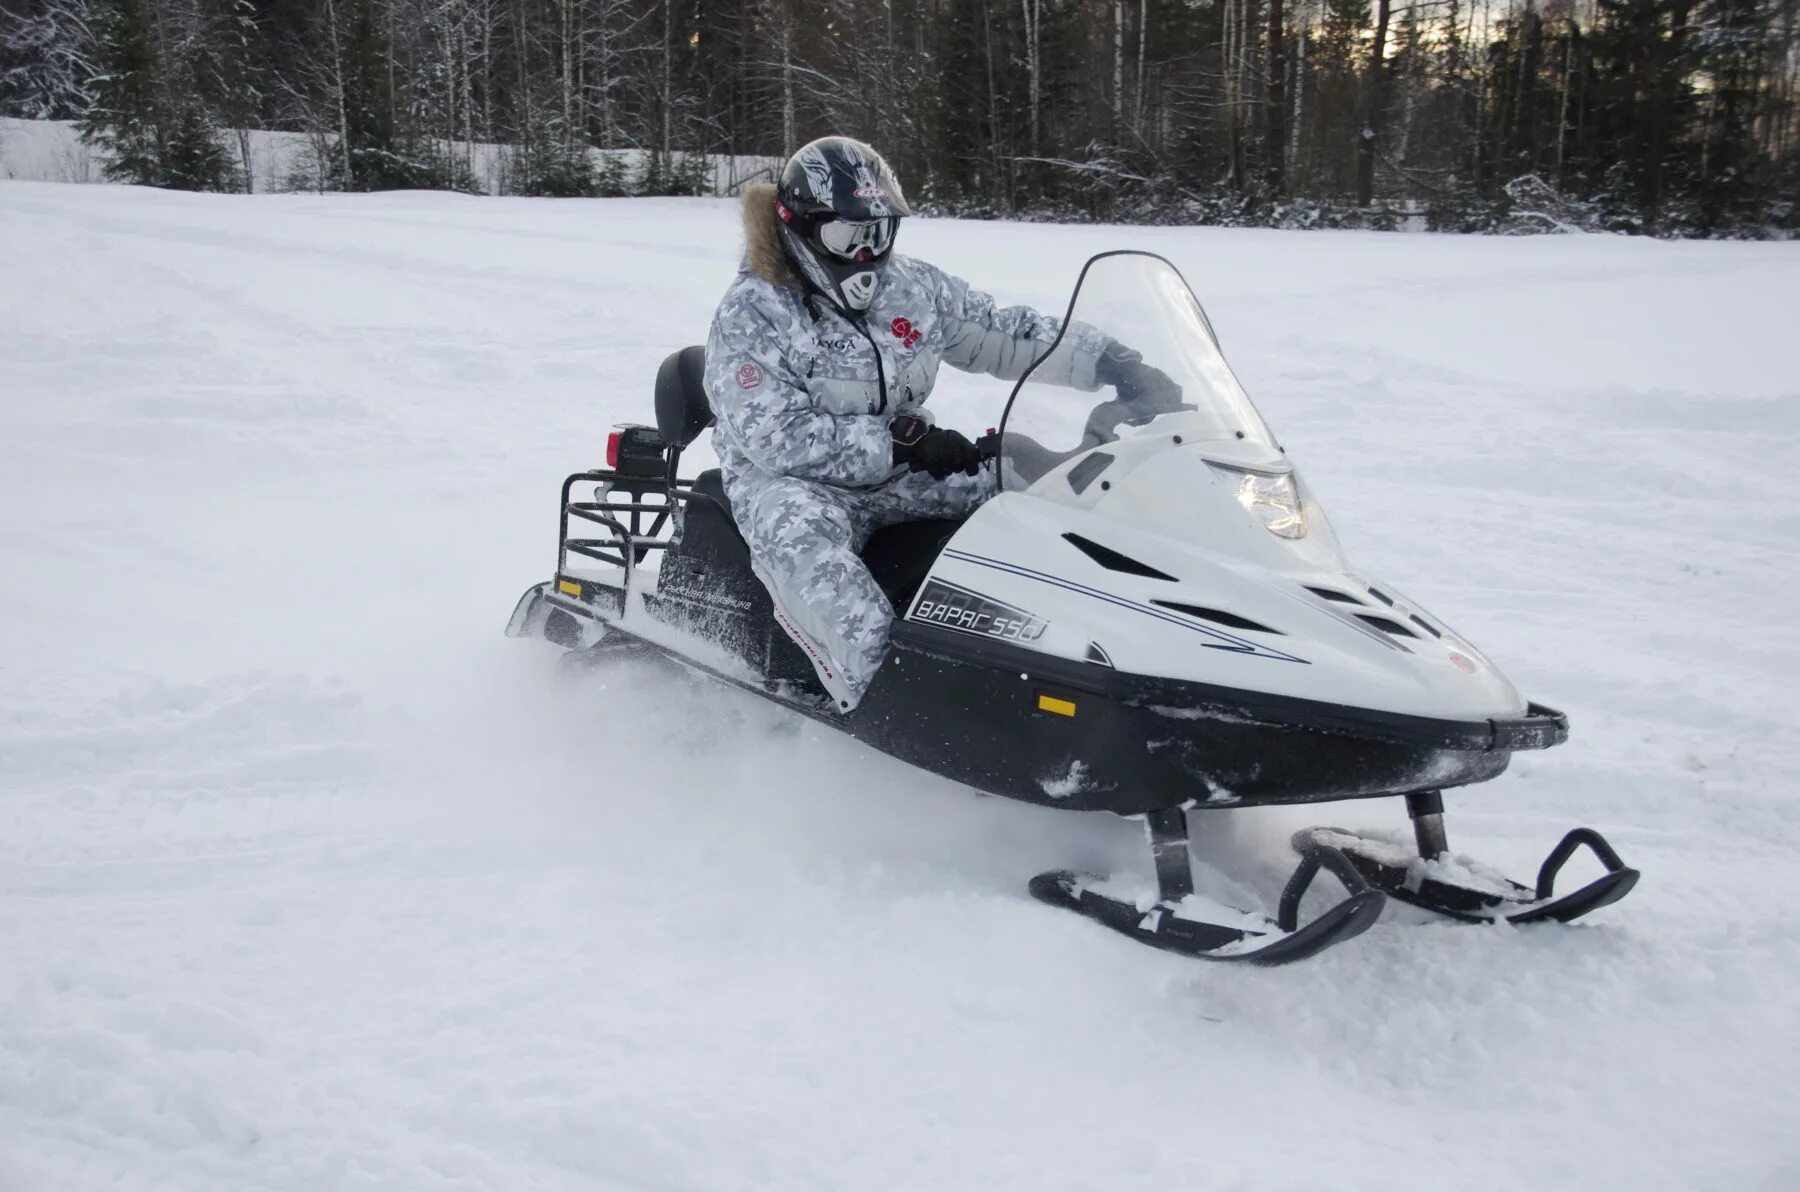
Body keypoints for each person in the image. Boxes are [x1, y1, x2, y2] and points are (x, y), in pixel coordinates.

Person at [703, 136, 1171, 712]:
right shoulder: (752, 312)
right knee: (803, 545)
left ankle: (1127, 639)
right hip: (793, 485)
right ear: (799, 227)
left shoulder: (910, 289)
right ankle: (891, 706)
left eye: (878, 234)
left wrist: (1113, 362)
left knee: (1039, 487)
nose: (865, 255)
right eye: (848, 237)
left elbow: (1002, 332)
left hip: (903, 468)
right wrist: (901, 442)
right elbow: (779, 439)